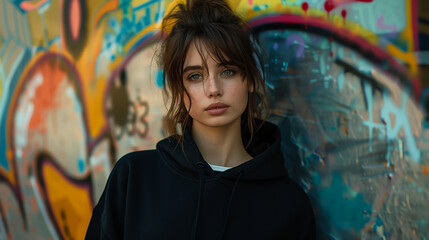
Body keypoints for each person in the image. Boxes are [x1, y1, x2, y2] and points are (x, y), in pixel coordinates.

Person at [85, 0, 316, 239]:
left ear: (249, 80)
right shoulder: (134, 179)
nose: (213, 89)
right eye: (195, 76)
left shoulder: (289, 205)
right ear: (179, 89)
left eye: (228, 72)